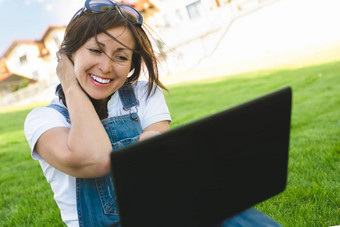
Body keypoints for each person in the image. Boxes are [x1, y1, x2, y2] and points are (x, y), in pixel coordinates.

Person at [25, 0, 281, 226]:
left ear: (131, 65)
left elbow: (160, 164)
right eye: (95, 50)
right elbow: (97, 159)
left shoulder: (143, 94)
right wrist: (70, 85)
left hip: (162, 210)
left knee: (231, 215)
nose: (106, 67)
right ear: (68, 55)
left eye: (121, 57)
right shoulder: (44, 120)